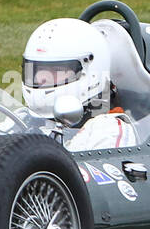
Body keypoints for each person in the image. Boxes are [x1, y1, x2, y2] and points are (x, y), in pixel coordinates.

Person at [21, 18, 137, 150]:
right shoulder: (21, 117)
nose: (41, 78)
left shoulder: (107, 130)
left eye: (56, 70)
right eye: (37, 70)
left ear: (92, 72)